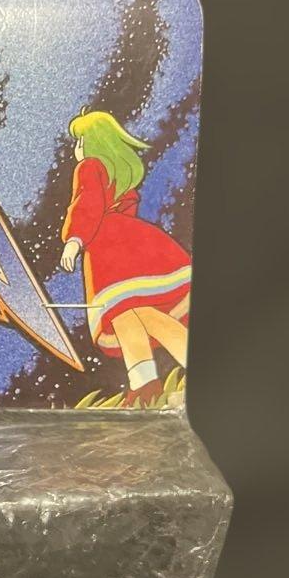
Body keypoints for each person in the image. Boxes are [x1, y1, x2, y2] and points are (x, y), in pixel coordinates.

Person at [60, 110, 190, 406]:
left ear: (93, 142)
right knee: (127, 316)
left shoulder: (89, 166)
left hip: (111, 254)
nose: (76, 148)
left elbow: (87, 204)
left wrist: (74, 241)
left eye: (80, 140)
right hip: (131, 245)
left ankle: (184, 367)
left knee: (139, 314)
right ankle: (144, 387)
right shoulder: (117, 172)